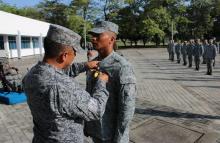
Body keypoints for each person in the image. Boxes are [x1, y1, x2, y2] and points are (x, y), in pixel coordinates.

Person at [22, 24, 110, 143]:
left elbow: (56, 71)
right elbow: (96, 110)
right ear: (64, 56)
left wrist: (84, 66)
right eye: (74, 53)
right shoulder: (63, 86)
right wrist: (101, 82)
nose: (75, 56)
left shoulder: (32, 74)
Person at [84, 21, 136, 143]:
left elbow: (127, 107)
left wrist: (120, 138)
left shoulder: (122, 66)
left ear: (111, 39)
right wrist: (87, 124)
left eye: (98, 35)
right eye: (92, 35)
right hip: (95, 130)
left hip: (110, 134)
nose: (93, 38)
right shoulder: (94, 63)